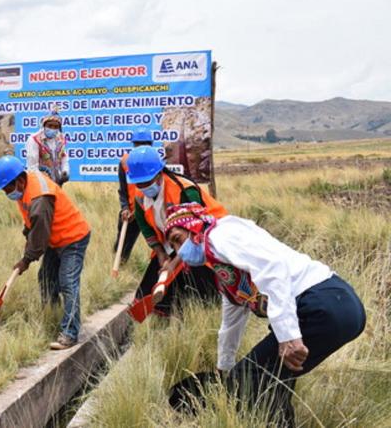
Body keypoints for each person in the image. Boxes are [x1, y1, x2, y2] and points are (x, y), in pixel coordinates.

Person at [163, 202, 365, 425]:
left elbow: (274, 268)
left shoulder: (220, 235)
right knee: (274, 379)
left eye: (178, 239)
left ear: (194, 228)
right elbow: (230, 324)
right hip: (341, 307)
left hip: (322, 302)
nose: (179, 252)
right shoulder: (225, 271)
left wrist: (288, 335)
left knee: (251, 378)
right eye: (173, 245)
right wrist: (223, 368)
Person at [0, 155, 91, 350]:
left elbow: (40, 234)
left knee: (68, 282)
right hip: (55, 238)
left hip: (73, 238)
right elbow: (34, 223)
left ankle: (70, 333)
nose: (6, 193)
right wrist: (27, 232)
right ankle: (52, 315)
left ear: (19, 181)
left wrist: (26, 260)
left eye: (7, 189)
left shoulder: (40, 198)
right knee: (46, 277)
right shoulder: (25, 186)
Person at [126, 146, 221, 318]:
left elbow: (197, 231)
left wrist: (175, 263)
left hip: (204, 239)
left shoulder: (184, 190)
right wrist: (161, 254)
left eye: (147, 181)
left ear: (159, 173)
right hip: (170, 242)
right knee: (148, 290)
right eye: (139, 183)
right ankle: (164, 318)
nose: (143, 186)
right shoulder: (140, 195)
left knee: (199, 282)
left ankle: (202, 316)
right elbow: (145, 227)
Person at [114, 126, 155, 263]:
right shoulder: (125, 162)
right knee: (122, 245)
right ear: (133, 145)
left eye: (145, 144)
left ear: (151, 146)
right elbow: (123, 190)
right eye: (138, 144)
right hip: (131, 213)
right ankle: (120, 267)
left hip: (152, 211)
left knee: (160, 243)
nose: (141, 148)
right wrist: (125, 208)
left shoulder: (154, 162)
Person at [25, 110, 69, 186]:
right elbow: (32, 166)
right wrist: (44, 181)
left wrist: (65, 171)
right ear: (44, 125)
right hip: (40, 183)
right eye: (50, 125)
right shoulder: (34, 139)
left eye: (56, 127)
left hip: (57, 182)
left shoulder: (60, 139)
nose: (52, 129)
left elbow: (63, 157)